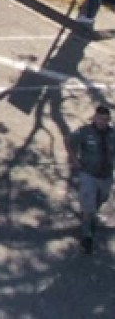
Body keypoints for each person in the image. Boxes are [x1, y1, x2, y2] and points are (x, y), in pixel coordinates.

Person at [69, 105, 115, 254]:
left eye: (105, 119)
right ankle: (87, 236)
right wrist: (74, 159)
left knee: (103, 198)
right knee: (88, 206)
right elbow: (68, 140)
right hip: (89, 174)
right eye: (100, 118)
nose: (102, 122)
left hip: (106, 175)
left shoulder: (112, 134)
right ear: (94, 118)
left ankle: (90, 215)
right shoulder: (84, 132)